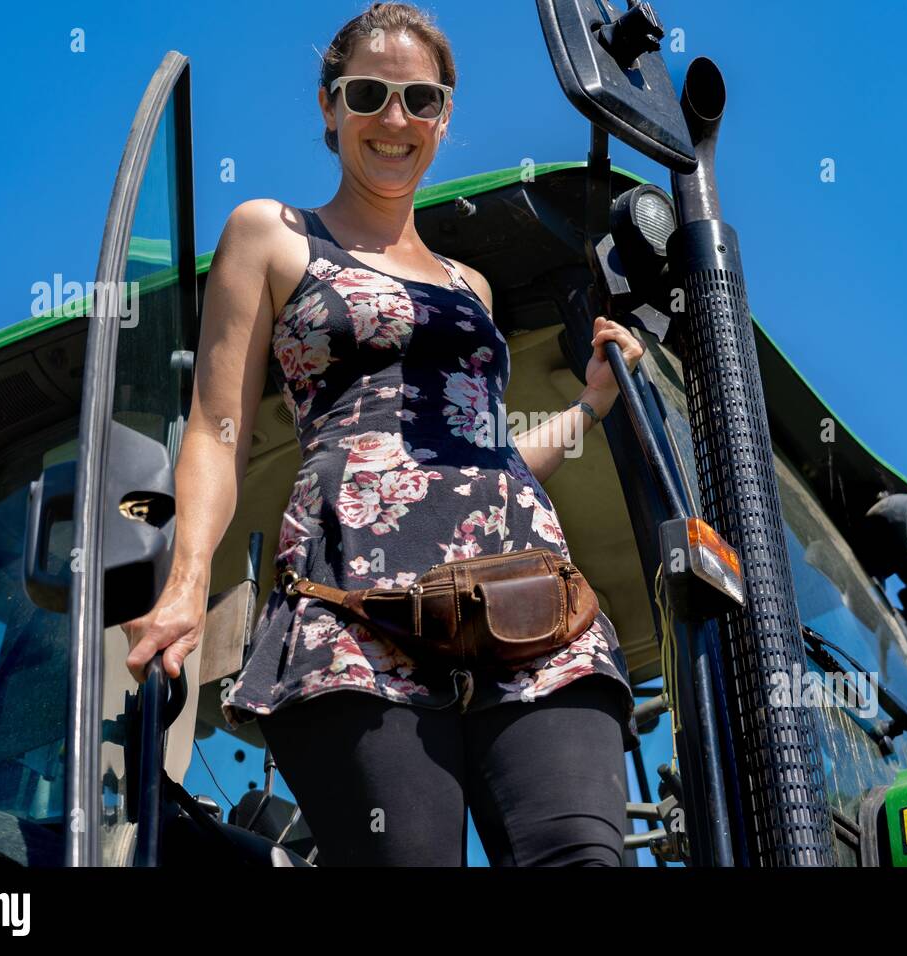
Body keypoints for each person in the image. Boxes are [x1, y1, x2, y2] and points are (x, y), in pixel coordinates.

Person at [122, 1, 646, 866]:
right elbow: (217, 429)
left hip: (524, 598)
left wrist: (590, 406)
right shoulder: (273, 235)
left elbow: (490, 463)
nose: (394, 119)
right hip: (359, 607)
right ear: (329, 107)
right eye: (368, 94)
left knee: (583, 858)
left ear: (445, 116)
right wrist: (185, 583)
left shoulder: (469, 285)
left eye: (420, 99)